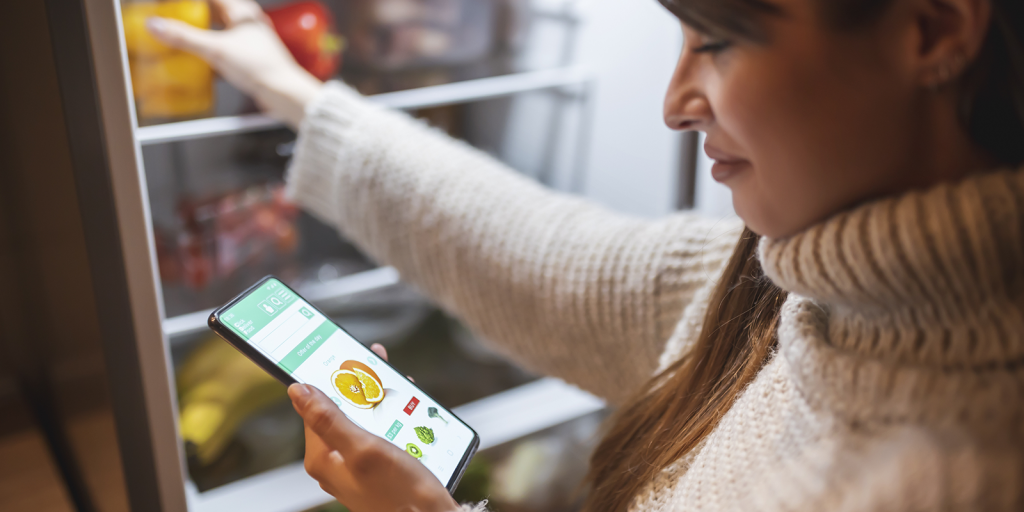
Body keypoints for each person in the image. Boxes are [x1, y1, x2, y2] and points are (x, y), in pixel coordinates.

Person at [147, 0, 1024, 509]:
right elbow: (536, 253)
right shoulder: (781, 287)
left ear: (932, 30)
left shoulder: (958, 478)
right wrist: (291, 89)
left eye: (716, 39)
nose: (674, 104)